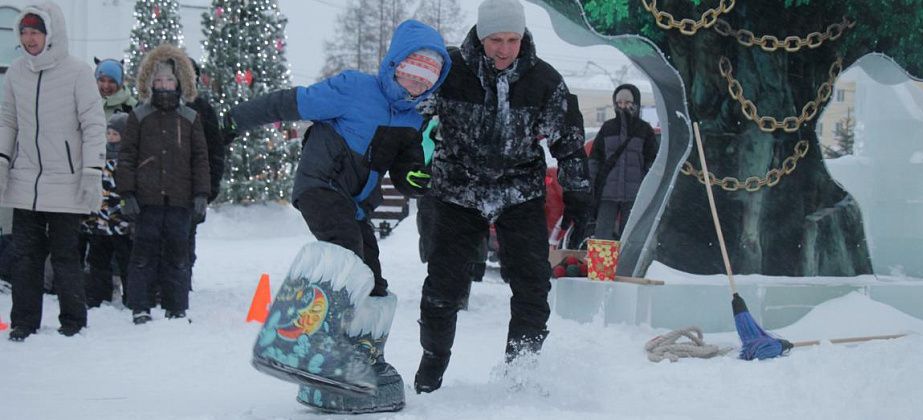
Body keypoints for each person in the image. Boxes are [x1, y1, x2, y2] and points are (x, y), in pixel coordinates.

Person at [228, 19, 449, 413]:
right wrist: (235, 120)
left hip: (354, 203)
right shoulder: (354, 88)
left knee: (373, 279)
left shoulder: (415, 118)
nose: (417, 83)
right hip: (320, 183)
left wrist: (416, 178)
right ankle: (294, 339)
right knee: (345, 254)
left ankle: (361, 355)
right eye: (412, 72)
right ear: (395, 64)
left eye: (427, 78)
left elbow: (407, 167)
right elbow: (291, 102)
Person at [414, 0, 591, 393]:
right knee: (443, 285)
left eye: (512, 39)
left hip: (519, 192)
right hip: (457, 189)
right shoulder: (449, 71)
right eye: (496, 39)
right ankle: (432, 365)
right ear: (481, 35)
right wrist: (406, 160)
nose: (504, 49)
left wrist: (578, 192)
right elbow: (411, 117)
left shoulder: (543, 80)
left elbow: (570, 140)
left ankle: (521, 371)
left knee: (532, 284)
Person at [1, 3, 106, 341]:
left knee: (65, 257)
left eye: (36, 32)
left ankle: (73, 321)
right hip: (26, 180)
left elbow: (93, 124)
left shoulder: (76, 72)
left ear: (51, 34)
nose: (30, 38)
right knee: (25, 256)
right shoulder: (16, 72)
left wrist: (92, 170)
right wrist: (2, 159)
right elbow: (7, 121)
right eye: (25, 32)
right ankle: (24, 321)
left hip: (67, 181)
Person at [116, 44, 210, 325]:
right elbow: (127, 157)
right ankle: (140, 305)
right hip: (147, 201)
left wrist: (201, 195)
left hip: (180, 201)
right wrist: (127, 194)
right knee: (143, 255)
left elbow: (200, 159)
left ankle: (176, 305)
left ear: (180, 82)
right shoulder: (139, 117)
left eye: (169, 80)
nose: (164, 85)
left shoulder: (190, 118)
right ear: (149, 83)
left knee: (178, 256)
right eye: (158, 80)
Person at [588, 83, 658, 241]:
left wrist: (646, 184)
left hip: (635, 195)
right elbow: (595, 158)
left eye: (627, 103)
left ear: (635, 104)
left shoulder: (644, 130)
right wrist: (591, 181)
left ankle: (628, 266)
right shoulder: (607, 128)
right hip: (607, 193)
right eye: (619, 103)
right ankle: (601, 267)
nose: (623, 106)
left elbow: (652, 161)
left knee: (631, 238)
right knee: (602, 236)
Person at [82, 113, 133, 308]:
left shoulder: (128, 159)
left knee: (125, 259)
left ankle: (131, 295)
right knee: (97, 259)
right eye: (108, 133)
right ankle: (97, 295)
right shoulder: (98, 155)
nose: (110, 137)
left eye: (115, 134)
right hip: (99, 219)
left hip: (119, 220)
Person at [185, 57, 225, 290]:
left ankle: (181, 286)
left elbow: (215, 151)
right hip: (159, 188)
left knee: (186, 241)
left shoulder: (202, 109)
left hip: (193, 187)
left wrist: (209, 188)